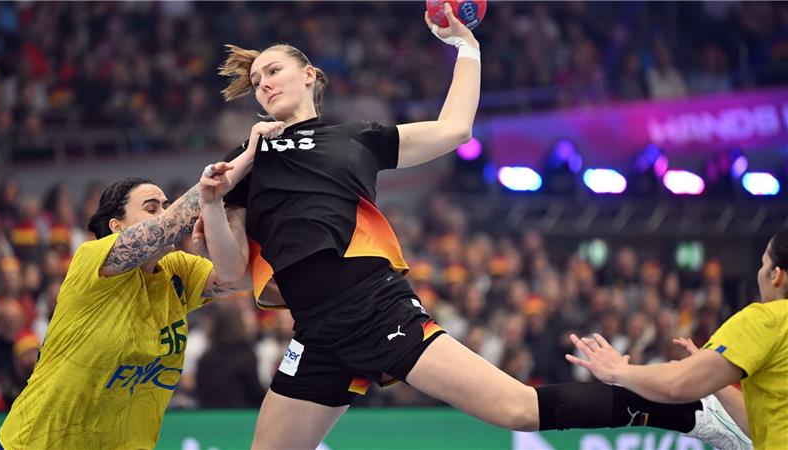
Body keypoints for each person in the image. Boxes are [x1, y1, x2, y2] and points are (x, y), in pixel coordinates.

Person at [203, 5, 749, 450]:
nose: (263, 83)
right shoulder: (249, 157)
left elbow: (455, 128)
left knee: (516, 408)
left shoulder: (354, 137)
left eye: (273, 70)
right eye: (255, 80)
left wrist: (468, 48)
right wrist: (210, 201)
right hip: (315, 331)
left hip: (374, 308)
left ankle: (685, 413)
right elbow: (229, 273)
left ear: (310, 75)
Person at [0, 159, 252, 449]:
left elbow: (237, 275)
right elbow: (169, 226)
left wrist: (238, 207)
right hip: (40, 442)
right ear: (117, 226)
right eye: (151, 209)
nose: (164, 214)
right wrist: (241, 159)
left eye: (166, 206)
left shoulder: (178, 268)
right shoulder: (92, 258)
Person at [568, 228, 788, 450]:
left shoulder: (767, 319)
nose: (760, 273)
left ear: (776, 275)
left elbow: (677, 385)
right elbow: (762, 424)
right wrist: (713, 378)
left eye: (763, 264)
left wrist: (619, 370)